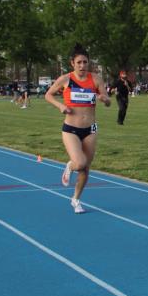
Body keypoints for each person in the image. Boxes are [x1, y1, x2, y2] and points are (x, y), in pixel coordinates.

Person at [44, 44, 111, 214]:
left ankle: (76, 199)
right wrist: (60, 106)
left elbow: (108, 100)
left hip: (91, 129)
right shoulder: (65, 79)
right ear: (72, 63)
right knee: (80, 163)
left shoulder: (96, 79)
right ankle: (70, 166)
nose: (82, 66)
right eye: (79, 62)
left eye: (85, 62)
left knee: (85, 168)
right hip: (71, 129)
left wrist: (105, 100)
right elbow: (48, 95)